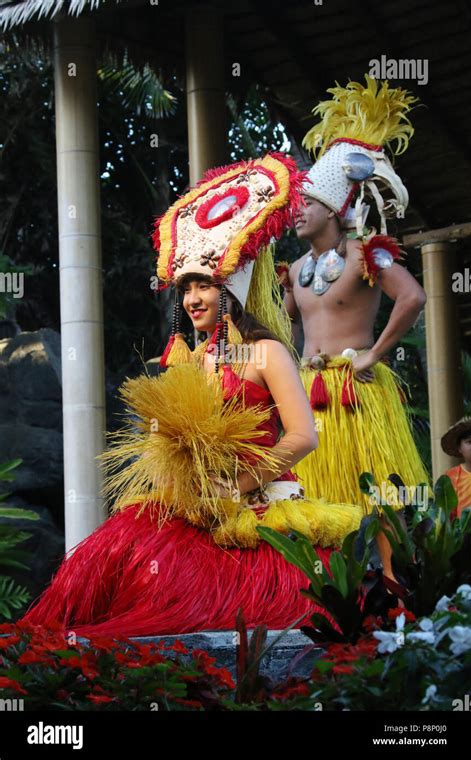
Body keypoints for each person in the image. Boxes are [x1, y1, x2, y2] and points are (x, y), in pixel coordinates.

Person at [22, 153, 363, 638]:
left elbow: (303, 436)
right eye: (186, 289)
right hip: (202, 503)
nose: (193, 299)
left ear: (232, 290)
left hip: (262, 505)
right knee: (121, 545)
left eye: (205, 285)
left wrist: (236, 486)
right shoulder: (199, 357)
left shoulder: (267, 352)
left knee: (208, 607)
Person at [278, 76, 431, 581]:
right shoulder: (296, 270)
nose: (297, 211)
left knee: (379, 498)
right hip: (308, 392)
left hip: (357, 393)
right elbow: (284, 330)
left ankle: (393, 590)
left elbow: (413, 297)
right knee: (310, 499)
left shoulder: (368, 255)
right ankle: (326, 595)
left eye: (307, 203)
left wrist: (374, 355)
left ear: (335, 209)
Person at [442, 417, 471, 519]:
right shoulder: (450, 477)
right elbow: (446, 517)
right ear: (459, 448)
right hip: (462, 533)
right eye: (469, 442)